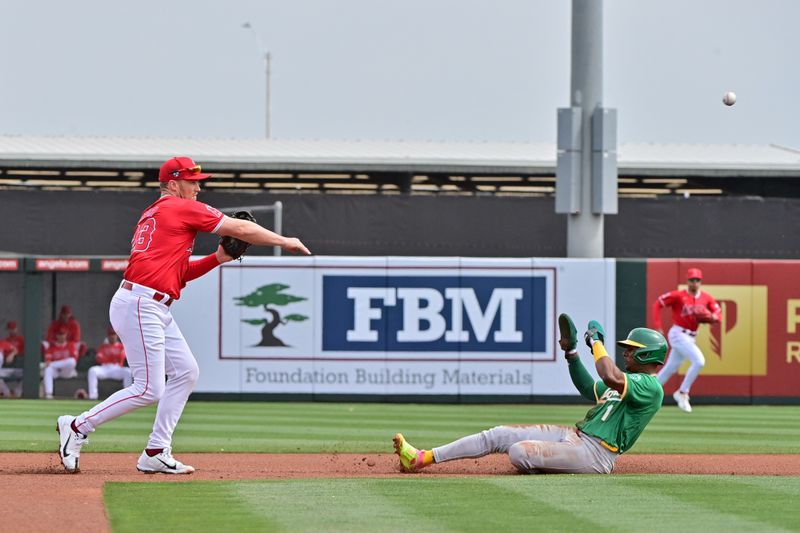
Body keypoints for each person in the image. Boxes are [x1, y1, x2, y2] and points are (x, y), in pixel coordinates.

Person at [56, 155, 311, 474]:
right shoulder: (177, 206)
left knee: (186, 371)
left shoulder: (154, 212)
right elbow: (241, 227)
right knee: (149, 388)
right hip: (141, 303)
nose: (198, 188)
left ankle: (156, 451)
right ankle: (78, 426)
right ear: (173, 184)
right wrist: (285, 241)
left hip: (151, 303)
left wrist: (217, 258)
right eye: (193, 182)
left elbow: (178, 273)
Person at [393, 314, 666, 475]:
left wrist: (595, 343)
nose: (626, 351)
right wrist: (571, 354)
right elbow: (589, 387)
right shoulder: (628, 382)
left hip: (596, 455)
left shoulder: (650, 387)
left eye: (631, 348)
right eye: (626, 347)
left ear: (647, 354)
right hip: (576, 436)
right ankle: (421, 457)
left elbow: (609, 375)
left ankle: (549, 464)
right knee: (498, 434)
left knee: (518, 452)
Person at [652, 267, 721, 413]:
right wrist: (658, 325)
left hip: (691, 337)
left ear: (700, 281)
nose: (694, 282)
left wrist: (713, 317)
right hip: (678, 333)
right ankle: (683, 392)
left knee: (670, 368)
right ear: (687, 281)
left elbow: (718, 315)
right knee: (699, 361)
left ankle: (649, 392)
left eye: (697, 280)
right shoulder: (678, 296)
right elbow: (658, 303)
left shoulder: (706, 298)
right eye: (692, 280)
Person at [86, 327, 132, 401]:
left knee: (127, 371)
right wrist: (112, 358)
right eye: (110, 334)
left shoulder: (121, 346)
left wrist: (109, 357)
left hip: (117, 368)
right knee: (92, 370)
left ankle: (128, 398)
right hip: (105, 368)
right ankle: (93, 396)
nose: (112, 336)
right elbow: (99, 359)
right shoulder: (103, 346)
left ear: (116, 336)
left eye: (113, 334)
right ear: (108, 336)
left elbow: (121, 358)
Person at [43, 328, 80, 399]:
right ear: (56, 336)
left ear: (66, 335)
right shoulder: (51, 347)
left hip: (67, 372)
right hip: (56, 371)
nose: (61, 336)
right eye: (60, 335)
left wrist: (54, 363)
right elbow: (47, 361)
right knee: (48, 369)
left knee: (71, 361)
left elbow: (74, 360)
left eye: (63, 334)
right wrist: (53, 364)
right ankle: (49, 394)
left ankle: (53, 365)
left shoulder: (71, 345)